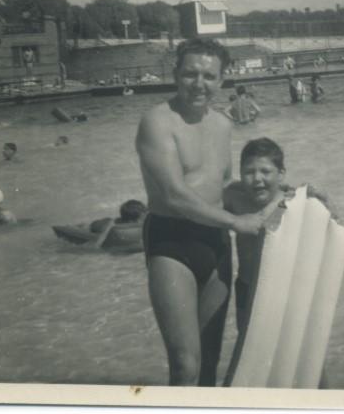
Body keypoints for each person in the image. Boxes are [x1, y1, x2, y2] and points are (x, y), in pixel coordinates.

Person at [136, 37, 264, 386]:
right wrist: (238, 222)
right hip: (172, 241)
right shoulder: (157, 122)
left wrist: (285, 196)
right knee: (184, 365)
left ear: (221, 80)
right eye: (190, 74)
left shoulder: (222, 125)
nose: (199, 84)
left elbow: (223, 185)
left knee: (210, 364)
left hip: (215, 240)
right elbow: (175, 196)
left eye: (209, 76)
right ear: (175, 74)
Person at [223, 137, 331, 332]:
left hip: (284, 287)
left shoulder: (292, 201)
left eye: (265, 171)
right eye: (249, 172)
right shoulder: (235, 199)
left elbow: (333, 227)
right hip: (248, 286)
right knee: (247, 342)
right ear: (240, 175)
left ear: (281, 174)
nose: (257, 178)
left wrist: (322, 199)